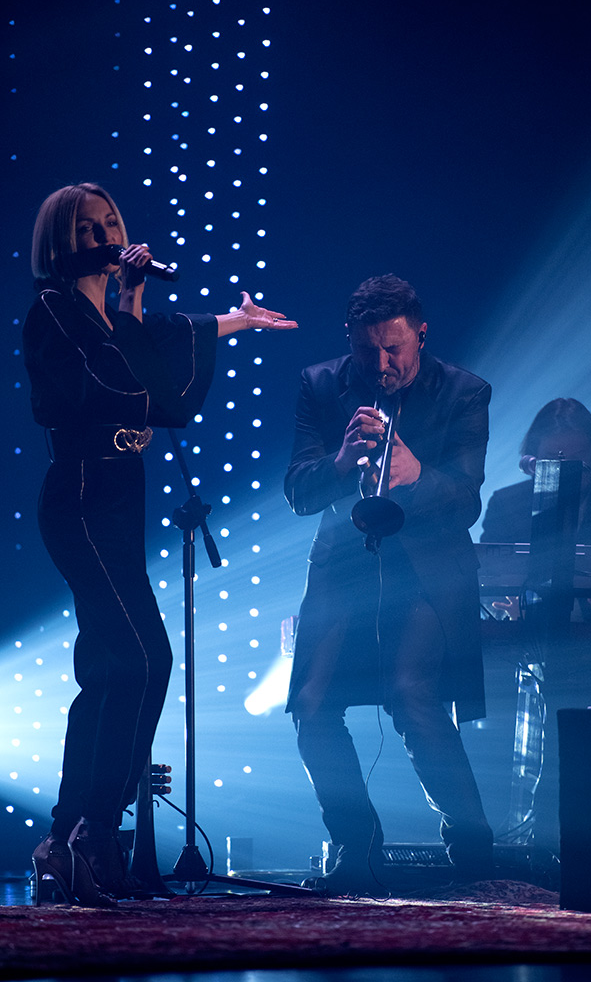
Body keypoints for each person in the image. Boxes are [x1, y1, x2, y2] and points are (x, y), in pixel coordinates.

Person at [24, 182, 297, 906]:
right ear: (61, 241)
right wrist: (131, 309)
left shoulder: (111, 313)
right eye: (88, 228)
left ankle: (66, 837)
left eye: (110, 223)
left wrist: (232, 321)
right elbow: (113, 377)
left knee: (108, 669)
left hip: (121, 496)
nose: (104, 236)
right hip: (81, 495)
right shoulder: (53, 311)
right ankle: (95, 831)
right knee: (146, 657)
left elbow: (157, 348)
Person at [284, 274, 494, 896]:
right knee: (312, 705)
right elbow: (298, 492)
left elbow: (466, 502)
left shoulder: (465, 392)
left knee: (412, 695)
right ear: (349, 339)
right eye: (365, 350)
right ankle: (356, 844)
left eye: (393, 348)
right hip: (343, 566)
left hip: (429, 567)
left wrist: (416, 474)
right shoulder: (319, 384)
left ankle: (471, 842)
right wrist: (340, 462)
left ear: (420, 335)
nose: (380, 365)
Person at [480, 398, 591, 622]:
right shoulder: (506, 504)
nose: (566, 468)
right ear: (532, 460)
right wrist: (510, 613)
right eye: (553, 458)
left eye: (577, 459)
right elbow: (485, 580)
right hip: (519, 635)